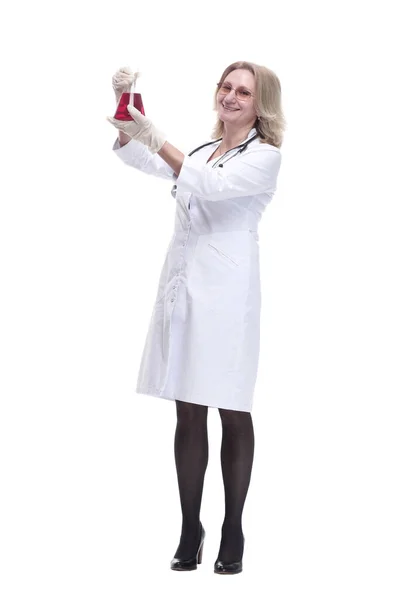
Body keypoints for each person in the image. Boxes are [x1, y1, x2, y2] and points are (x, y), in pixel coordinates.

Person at [107, 61, 285, 574]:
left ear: (260, 104)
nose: (230, 96)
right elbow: (147, 161)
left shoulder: (266, 157)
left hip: (228, 294)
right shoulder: (205, 150)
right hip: (185, 286)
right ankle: (191, 525)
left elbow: (202, 184)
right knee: (187, 407)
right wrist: (129, 112)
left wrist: (155, 134)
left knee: (230, 405)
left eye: (243, 92)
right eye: (226, 87)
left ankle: (232, 526)